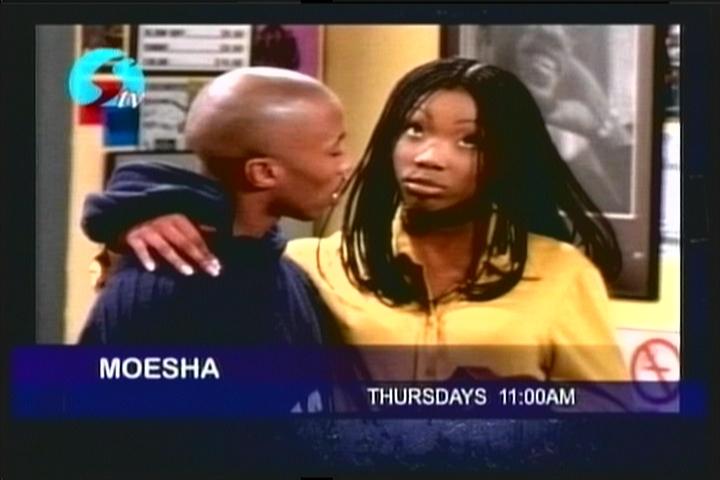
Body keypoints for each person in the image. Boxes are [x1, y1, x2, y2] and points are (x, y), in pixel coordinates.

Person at [83, 59, 629, 387]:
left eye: (470, 141)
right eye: (414, 130)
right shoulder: (315, 265)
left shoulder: (561, 274)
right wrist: (133, 216)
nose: (429, 157)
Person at [79, 66, 352, 413]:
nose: (346, 166)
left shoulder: (287, 273)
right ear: (263, 172)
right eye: (334, 151)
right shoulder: (160, 290)